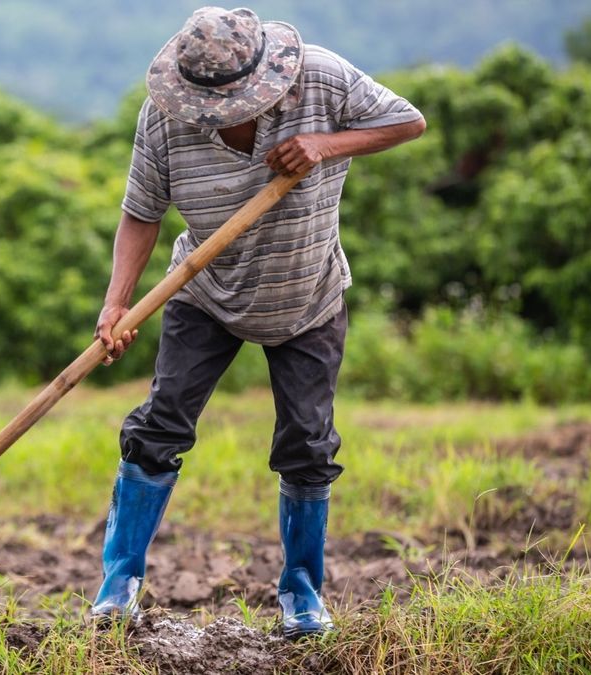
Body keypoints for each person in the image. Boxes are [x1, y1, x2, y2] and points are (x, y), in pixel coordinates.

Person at [91, 6, 426, 638]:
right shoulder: (165, 118)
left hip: (308, 295)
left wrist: (324, 145)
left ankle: (302, 594)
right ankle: (119, 585)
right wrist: (117, 303)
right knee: (159, 427)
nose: (217, 116)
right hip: (204, 290)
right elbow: (142, 212)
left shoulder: (322, 79)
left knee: (307, 443)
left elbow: (407, 121)